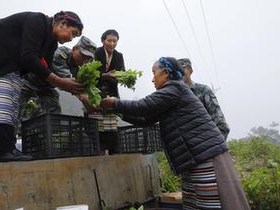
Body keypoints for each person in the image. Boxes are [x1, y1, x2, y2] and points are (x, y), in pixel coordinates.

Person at [100, 57, 250, 209]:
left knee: (208, 204)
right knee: (193, 204)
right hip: (193, 158)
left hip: (205, 157)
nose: (152, 79)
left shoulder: (174, 88)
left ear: (165, 73)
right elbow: (145, 118)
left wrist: (114, 102)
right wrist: (114, 109)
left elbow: (142, 106)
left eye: (154, 73)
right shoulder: (172, 93)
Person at [0, 11, 85, 162]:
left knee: (12, 100)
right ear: (63, 23)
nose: (71, 38)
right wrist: (58, 81)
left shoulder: (51, 42)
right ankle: (2, 150)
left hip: (7, 63)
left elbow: (46, 70)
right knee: (1, 99)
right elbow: (29, 57)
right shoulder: (38, 21)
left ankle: (6, 148)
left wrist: (70, 87)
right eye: (72, 33)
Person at [20, 36, 97, 120]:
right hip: (28, 82)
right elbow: (67, 80)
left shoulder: (79, 68)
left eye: (88, 58)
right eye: (83, 55)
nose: (84, 59)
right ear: (74, 49)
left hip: (46, 87)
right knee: (20, 111)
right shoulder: (61, 53)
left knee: (54, 112)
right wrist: (83, 96)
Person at [90, 29, 125, 154]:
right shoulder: (96, 53)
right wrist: (104, 75)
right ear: (103, 41)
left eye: (114, 41)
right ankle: (99, 151)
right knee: (97, 124)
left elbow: (122, 71)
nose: (112, 44)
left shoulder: (118, 56)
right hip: (96, 92)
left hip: (112, 92)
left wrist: (120, 76)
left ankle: (112, 151)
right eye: (109, 40)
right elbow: (90, 73)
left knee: (111, 126)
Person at [178, 58, 230, 139]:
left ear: (190, 70)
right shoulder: (173, 96)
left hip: (208, 145)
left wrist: (215, 146)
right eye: (177, 70)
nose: (180, 73)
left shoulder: (203, 90)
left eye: (182, 69)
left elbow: (221, 124)